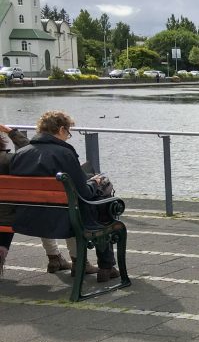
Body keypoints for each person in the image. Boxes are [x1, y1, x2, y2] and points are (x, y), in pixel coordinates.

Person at [9, 111, 120, 282]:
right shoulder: (64, 153)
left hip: (30, 216)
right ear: (61, 129)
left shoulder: (20, 154)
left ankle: (58, 258)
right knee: (103, 201)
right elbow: (83, 193)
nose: (68, 137)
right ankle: (105, 266)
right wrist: (96, 182)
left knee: (55, 203)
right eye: (68, 133)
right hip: (65, 218)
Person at [0, 124, 76, 276]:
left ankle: (54, 257)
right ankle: (76, 261)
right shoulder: (9, 160)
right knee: (40, 205)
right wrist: (12, 133)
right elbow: (34, 151)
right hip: (15, 217)